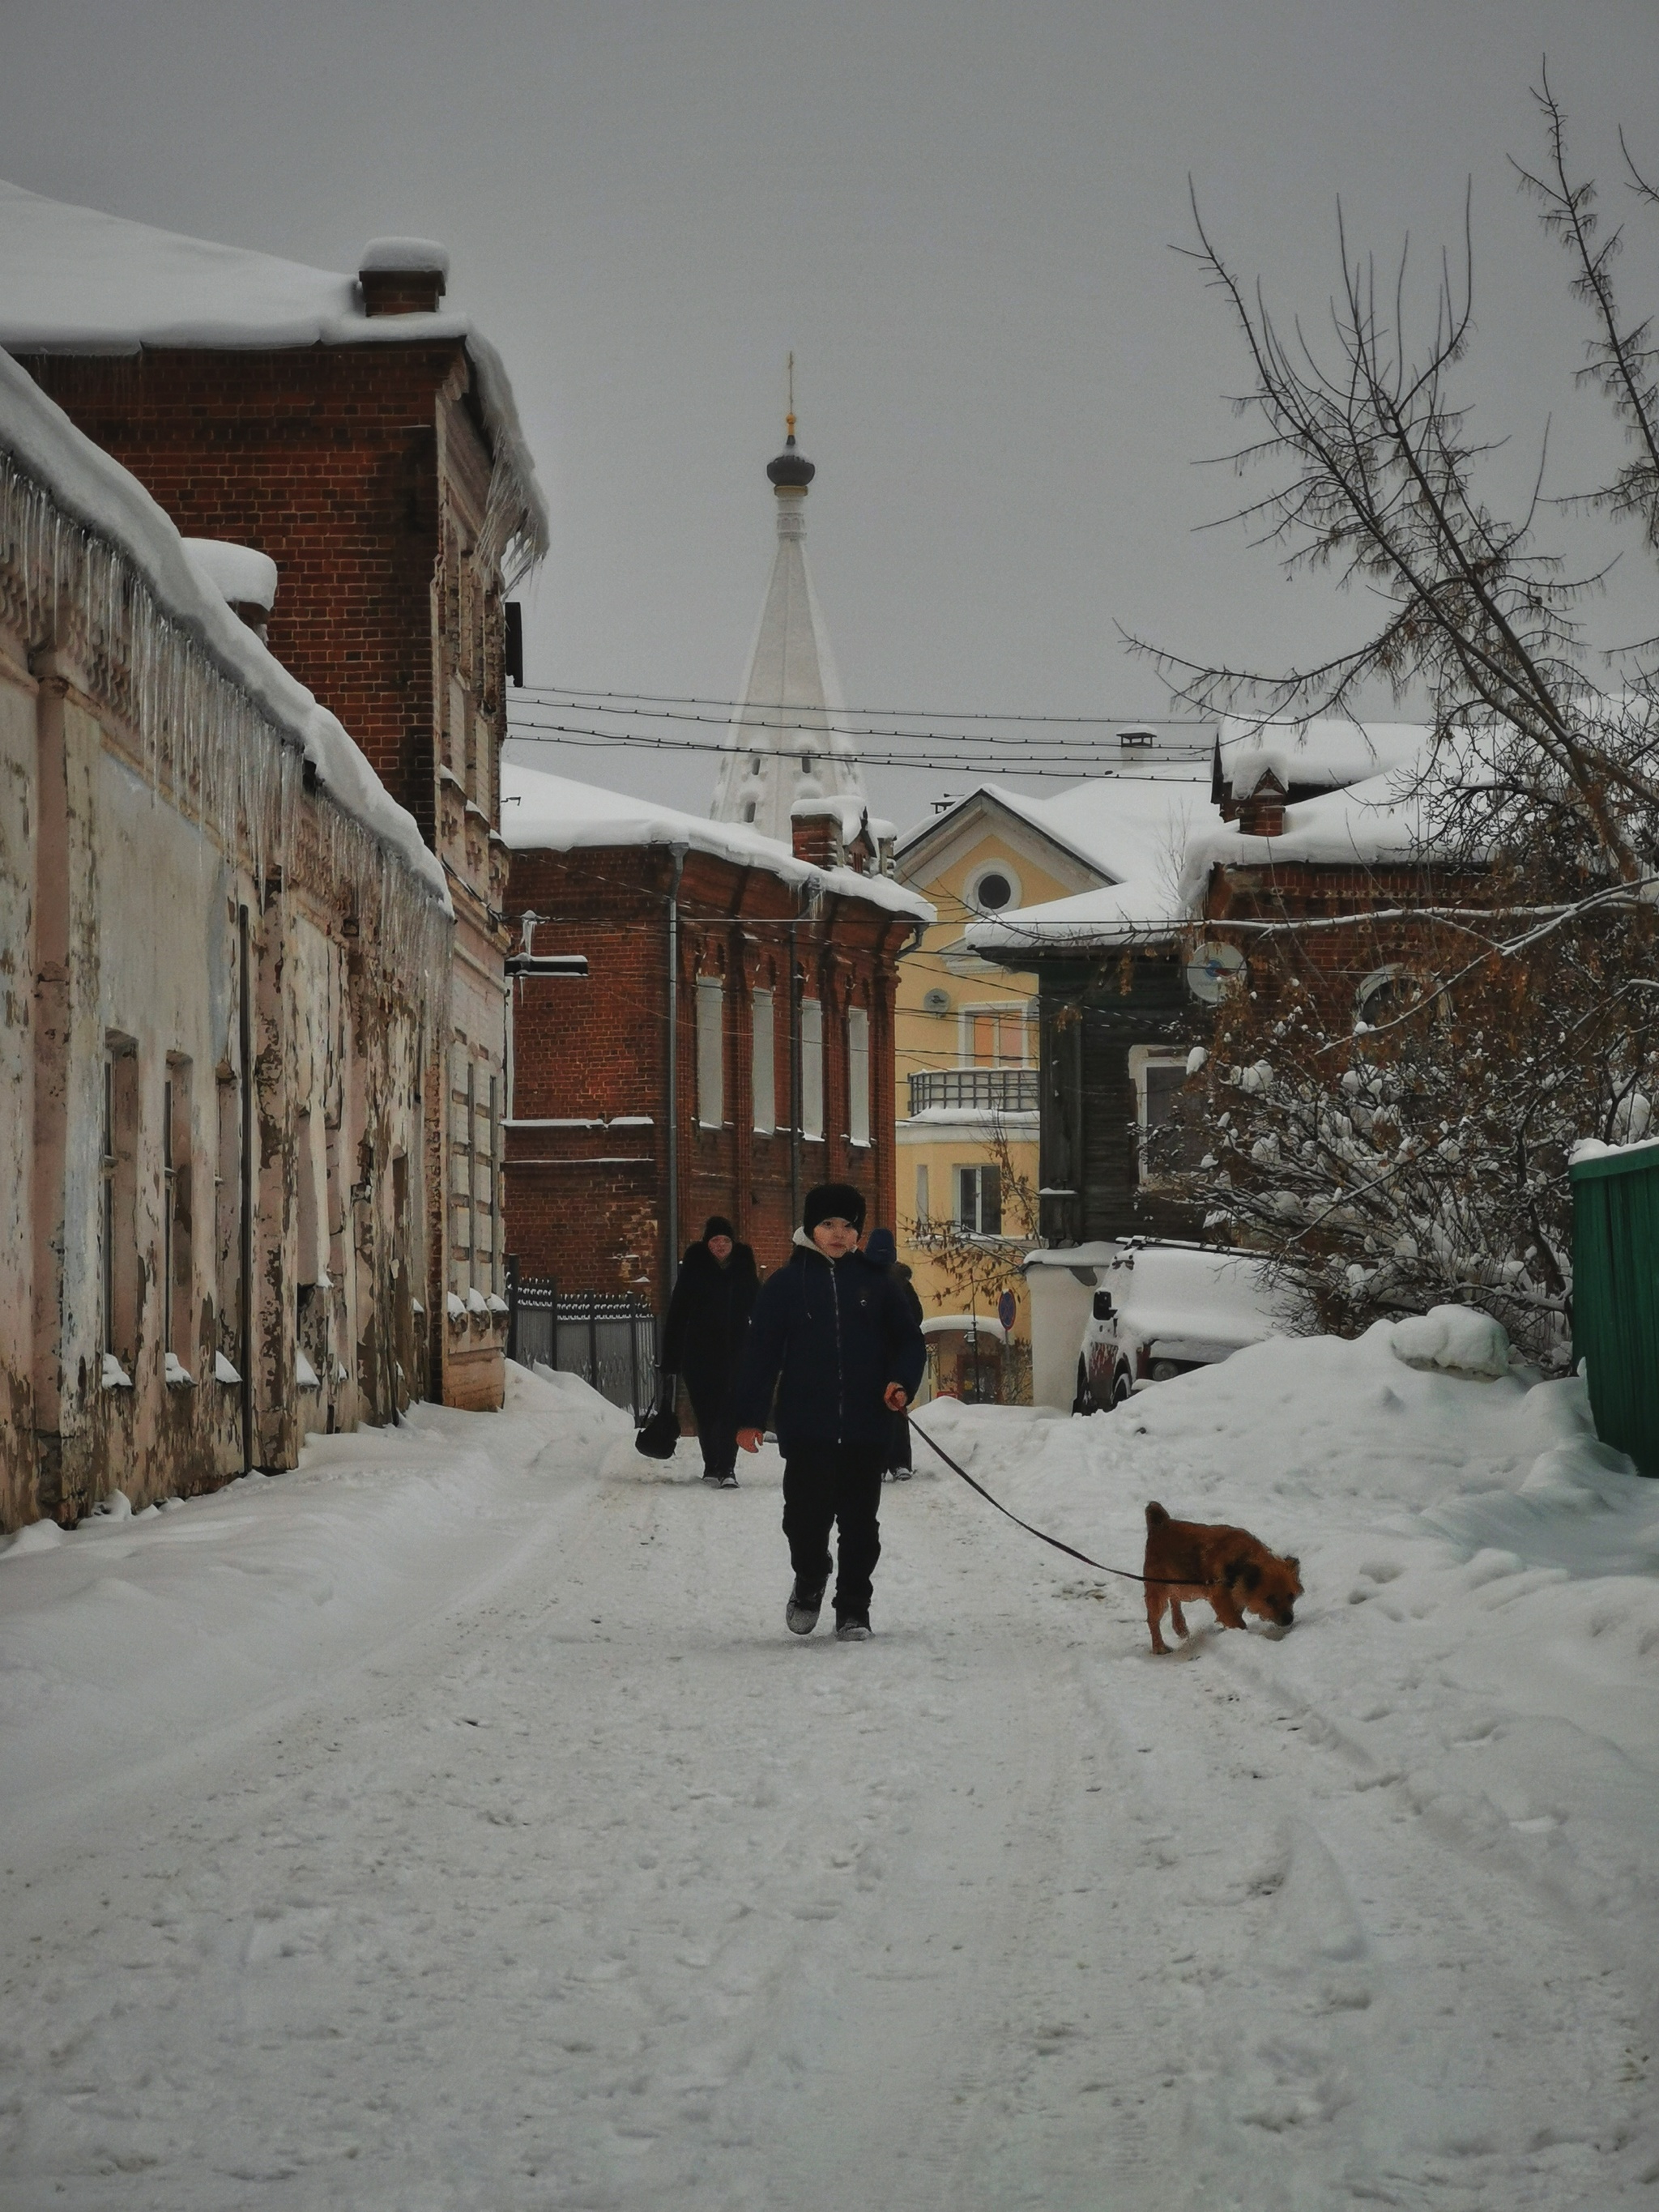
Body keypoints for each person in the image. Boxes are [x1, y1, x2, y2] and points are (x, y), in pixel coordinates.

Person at [734, 1183, 927, 1640]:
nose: (839, 1234)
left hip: (866, 1427)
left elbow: (909, 1340)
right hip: (807, 1428)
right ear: (810, 1229)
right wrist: (748, 1416)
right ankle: (810, 1576)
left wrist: (901, 1380)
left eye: (847, 1226)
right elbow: (761, 1354)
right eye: (828, 1225)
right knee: (803, 1520)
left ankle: (854, 1608)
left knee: (861, 1526)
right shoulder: (786, 1285)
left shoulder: (877, 1283)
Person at [660, 1215, 758, 1487]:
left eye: (725, 1240)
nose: (720, 1245)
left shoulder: (743, 1270)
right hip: (699, 1356)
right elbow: (677, 1315)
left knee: (731, 1412)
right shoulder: (694, 1270)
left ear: (732, 1243)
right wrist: (671, 1359)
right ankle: (711, 1464)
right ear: (707, 1243)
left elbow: (759, 1310)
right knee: (706, 1412)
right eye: (715, 1240)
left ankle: (728, 1468)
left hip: (736, 1354)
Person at [863, 1227, 924, 1480]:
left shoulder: (866, 1281)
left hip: (884, 1357)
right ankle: (897, 1463)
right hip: (884, 1357)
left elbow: (914, 1321)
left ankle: (887, 1462)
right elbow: (917, 1318)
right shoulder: (898, 1283)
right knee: (892, 1411)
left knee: (883, 1411)